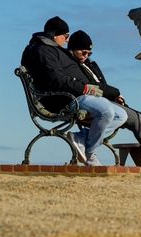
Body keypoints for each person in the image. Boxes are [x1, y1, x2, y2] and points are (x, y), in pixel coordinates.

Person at [66, 30, 141, 167]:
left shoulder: (89, 64)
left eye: (89, 53)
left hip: (106, 101)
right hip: (97, 104)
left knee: (139, 116)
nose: (86, 55)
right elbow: (94, 87)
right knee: (135, 119)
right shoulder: (73, 66)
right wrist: (114, 93)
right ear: (72, 49)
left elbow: (102, 85)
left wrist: (115, 96)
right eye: (83, 52)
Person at [21, 16, 127, 166]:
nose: (66, 40)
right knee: (107, 112)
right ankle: (90, 153)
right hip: (61, 100)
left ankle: (82, 138)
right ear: (55, 35)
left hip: (74, 96)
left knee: (121, 115)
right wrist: (85, 88)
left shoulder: (51, 49)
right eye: (65, 36)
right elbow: (56, 80)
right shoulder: (42, 51)